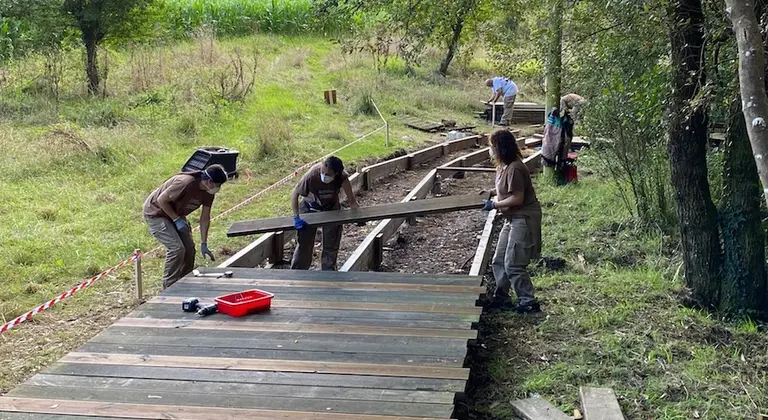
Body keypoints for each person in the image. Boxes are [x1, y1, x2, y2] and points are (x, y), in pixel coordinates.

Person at [482, 130, 542, 313]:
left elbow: (517, 198)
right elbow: (505, 188)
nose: (490, 150)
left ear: (500, 148)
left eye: (492, 147)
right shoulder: (503, 167)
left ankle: (528, 301)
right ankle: (502, 298)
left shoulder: (516, 167)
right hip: (511, 218)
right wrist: (492, 192)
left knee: (514, 263)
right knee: (499, 260)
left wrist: (494, 204)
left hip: (523, 218)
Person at [143, 164, 228, 289]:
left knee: (189, 249)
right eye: (218, 185)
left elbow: (205, 217)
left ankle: (184, 282)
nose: (218, 188)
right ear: (210, 181)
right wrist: (176, 219)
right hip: (157, 212)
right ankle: (169, 286)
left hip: (176, 212)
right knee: (177, 249)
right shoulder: (185, 183)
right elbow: (162, 200)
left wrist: (204, 243)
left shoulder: (209, 192)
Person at [291, 156, 359, 270]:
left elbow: (348, 189)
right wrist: (296, 217)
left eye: (328, 174)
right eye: (323, 172)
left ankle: (329, 272)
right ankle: (298, 272)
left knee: (331, 243)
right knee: (304, 244)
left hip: (331, 207)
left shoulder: (341, 176)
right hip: (310, 208)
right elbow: (294, 193)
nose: (324, 175)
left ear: (336, 174)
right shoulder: (312, 175)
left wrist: (354, 206)